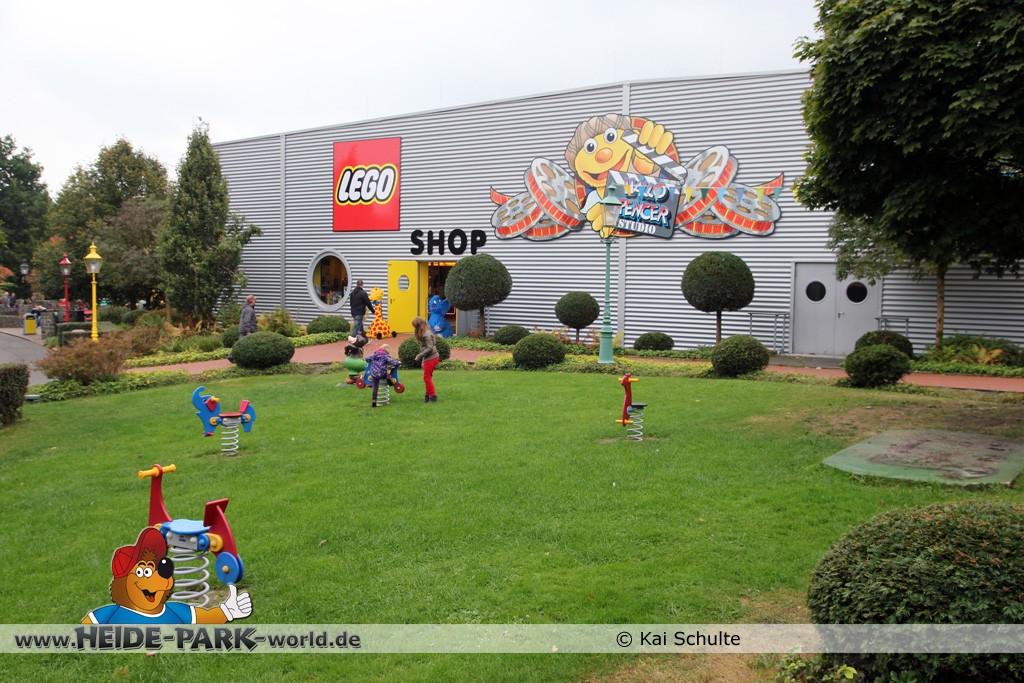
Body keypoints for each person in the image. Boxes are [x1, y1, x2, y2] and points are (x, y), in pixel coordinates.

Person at [412, 317, 440, 403]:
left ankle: (433, 396)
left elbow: (430, 348)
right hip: (429, 358)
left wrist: (419, 356)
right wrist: (423, 360)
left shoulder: (426, 334)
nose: (414, 328)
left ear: (418, 325)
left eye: (415, 326)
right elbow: (426, 347)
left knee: (427, 378)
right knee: (427, 378)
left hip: (432, 357)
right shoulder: (425, 332)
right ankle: (427, 397)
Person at [364, 343, 400, 408]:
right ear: (386, 350)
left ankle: (374, 400)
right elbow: (391, 361)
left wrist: (371, 361)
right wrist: (397, 363)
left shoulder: (374, 354)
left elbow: (367, 358)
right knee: (387, 375)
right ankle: (390, 381)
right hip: (382, 373)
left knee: (375, 387)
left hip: (374, 374)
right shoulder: (385, 356)